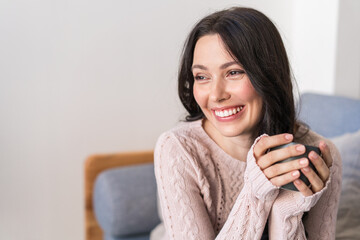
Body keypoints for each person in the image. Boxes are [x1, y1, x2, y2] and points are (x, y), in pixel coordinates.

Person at [150, 7, 342, 240]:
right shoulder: (179, 149)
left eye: (234, 72)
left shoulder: (319, 156)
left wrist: (287, 211)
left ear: (268, 75)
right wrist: (257, 193)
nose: (216, 94)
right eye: (202, 76)